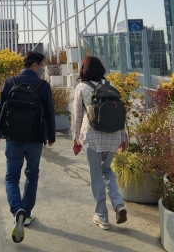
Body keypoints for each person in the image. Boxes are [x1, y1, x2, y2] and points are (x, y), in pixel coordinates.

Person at [0, 51, 56, 244]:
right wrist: (50, 135)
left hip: (13, 136)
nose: (43, 68)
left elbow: (1, 108)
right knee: (32, 174)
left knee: (11, 177)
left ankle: (17, 209)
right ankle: (26, 214)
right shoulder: (42, 85)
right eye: (42, 64)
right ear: (34, 65)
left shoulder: (11, 81)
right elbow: (50, 112)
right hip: (35, 137)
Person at [71, 56, 128, 230]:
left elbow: (77, 115)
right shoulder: (111, 87)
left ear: (84, 70)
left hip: (93, 137)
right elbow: (121, 115)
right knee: (107, 171)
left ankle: (102, 216)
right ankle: (118, 204)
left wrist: (75, 139)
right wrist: (123, 138)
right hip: (113, 137)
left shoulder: (82, 87)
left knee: (96, 174)